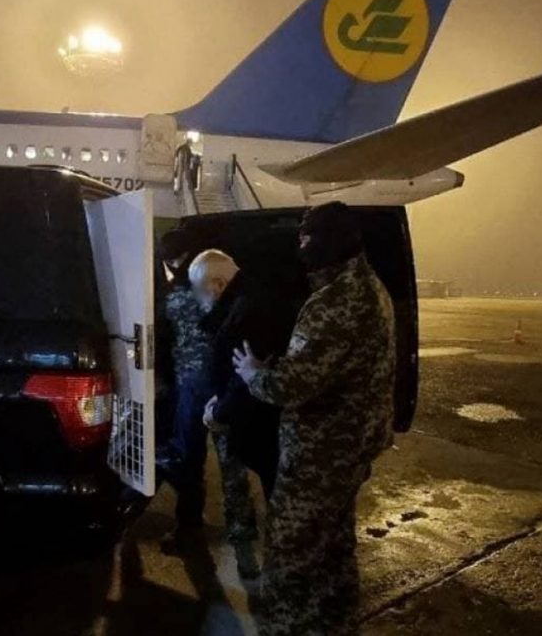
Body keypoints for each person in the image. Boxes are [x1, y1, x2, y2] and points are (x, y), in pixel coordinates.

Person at [232, 202, 397, 636]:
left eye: (307, 237)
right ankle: (334, 625)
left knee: (291, 551)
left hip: (321, 453)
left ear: (329, 241)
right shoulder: (370, 287)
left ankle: (286, 628)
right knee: (333, 549)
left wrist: (254, 374)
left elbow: (291, 386)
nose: (301, 245)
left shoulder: (336, 302)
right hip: (351, 447)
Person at [188, 249, 296, 579]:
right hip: (260, 422)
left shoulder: (250, 310)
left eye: (201, 291)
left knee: (283, 505)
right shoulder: (248, 299)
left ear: (219, 284)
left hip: (266, 426)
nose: (199, 300)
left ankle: (286, 579)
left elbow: (244, 378)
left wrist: (218, 412)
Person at [156, 228, 214, 551]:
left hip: (190, 382)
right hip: (213, 381)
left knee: (187, 454)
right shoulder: (210, 286)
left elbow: (162, 333)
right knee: (197, 454)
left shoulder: (177, 294)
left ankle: (189, 528)